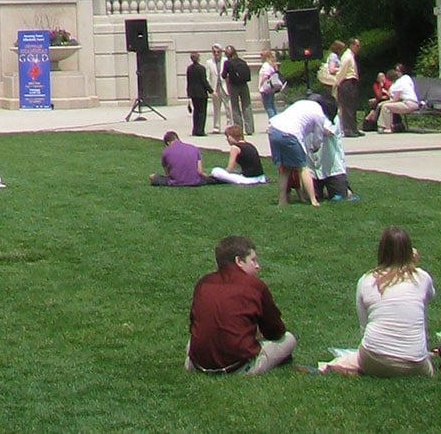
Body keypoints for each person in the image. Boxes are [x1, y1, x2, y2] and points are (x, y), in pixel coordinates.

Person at [322, 226, 436, 377]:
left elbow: (364, 327)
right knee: (429, 366)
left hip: (373, 359)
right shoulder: (422, 278)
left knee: (353, 359)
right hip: (415, 364)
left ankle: (341, 366)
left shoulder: (366, 281)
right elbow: (430, 295)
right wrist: (412, 265)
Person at [186, 235, 296, 375]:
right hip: (238, 366)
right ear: (238, 261)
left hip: (198, 364)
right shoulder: (254, 286)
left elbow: (195, 325)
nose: (257, 266)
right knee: (289, 339)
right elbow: (275, 332)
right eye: (253, 260)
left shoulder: (203, 283)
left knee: (197, 339)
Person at [267, 95, 330, 208]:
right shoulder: (319, 115)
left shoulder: (302, 103)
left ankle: (282, 201)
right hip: (290, 134)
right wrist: (315, 147)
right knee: (303, 168)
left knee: (284, 169)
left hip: (273, 129)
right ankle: (313, 200)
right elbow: (318, 136)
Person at [312, 101, 358, 203]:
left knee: (340, 196)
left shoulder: (332, 118)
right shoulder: (306, 119)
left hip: (333, 169)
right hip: (314, 169)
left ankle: (345, 190)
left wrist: (312, 124)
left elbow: (328, 132)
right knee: (311, 196)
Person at [149, 131, 214, 187]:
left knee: (152, 176)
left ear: (168, 143)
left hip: (175, 182)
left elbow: (168, 173)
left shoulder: (165, 152)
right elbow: (200, 171)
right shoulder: (194, 148)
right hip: (195, 181)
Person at [221, 45, 254, 137]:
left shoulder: (227, 63)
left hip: (233, 86)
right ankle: (249, 128)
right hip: (244, 85)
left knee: (235, 107)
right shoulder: (242, 61)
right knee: (247, 106)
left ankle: (239, 128)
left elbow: (223, 75)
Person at [377, 66, 420, 134]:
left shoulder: (399, 83)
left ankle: (387, 128)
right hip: (414, 103)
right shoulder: (406, 78)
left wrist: (383, 103)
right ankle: (384, 126)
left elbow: (395, 100)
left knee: (386, 106)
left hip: (408, 104)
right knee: (386, 105)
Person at [333, 37, 362, 138]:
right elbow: (342, 71)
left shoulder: (351, 56)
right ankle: (348, 129)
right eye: (357, 46)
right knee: (347, 107)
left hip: (352, 82)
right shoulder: (347, 56)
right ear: (351, 45)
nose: (358, 48)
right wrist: (337, 83)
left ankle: (353, 128)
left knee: (352, 106)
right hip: (347, 83)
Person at [186, 52, 212, 139]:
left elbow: (189, 82)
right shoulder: (201, 68)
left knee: (196, 111)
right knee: (202, 112)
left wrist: (189, 93)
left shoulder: (189, 69)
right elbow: (204, 81)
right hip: (201, 93)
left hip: (193, 93)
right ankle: (200, 130)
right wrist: (211, 91)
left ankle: (195, 129)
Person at [205, 44, 229, 134]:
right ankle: (216, 127)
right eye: (214, 52)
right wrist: (210, 90)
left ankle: (229, 125)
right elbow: (208, 77)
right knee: (216, 109)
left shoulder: (226, 61)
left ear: (221, 52)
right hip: (215, 88)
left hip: (225, 87)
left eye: (218, 52)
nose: (216, 53)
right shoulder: (209, 62)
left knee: (228, 108)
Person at [256, 49, 284, 119]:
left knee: (268, 106)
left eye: (261, 55)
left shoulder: (266, 65)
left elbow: (265, 76)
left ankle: (273, 121)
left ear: (265, 56)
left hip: (265, 88)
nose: (260, 57)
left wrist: (260, 85)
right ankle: (275, 120)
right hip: (271, 87)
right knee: (271, 105)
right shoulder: (272, 65)